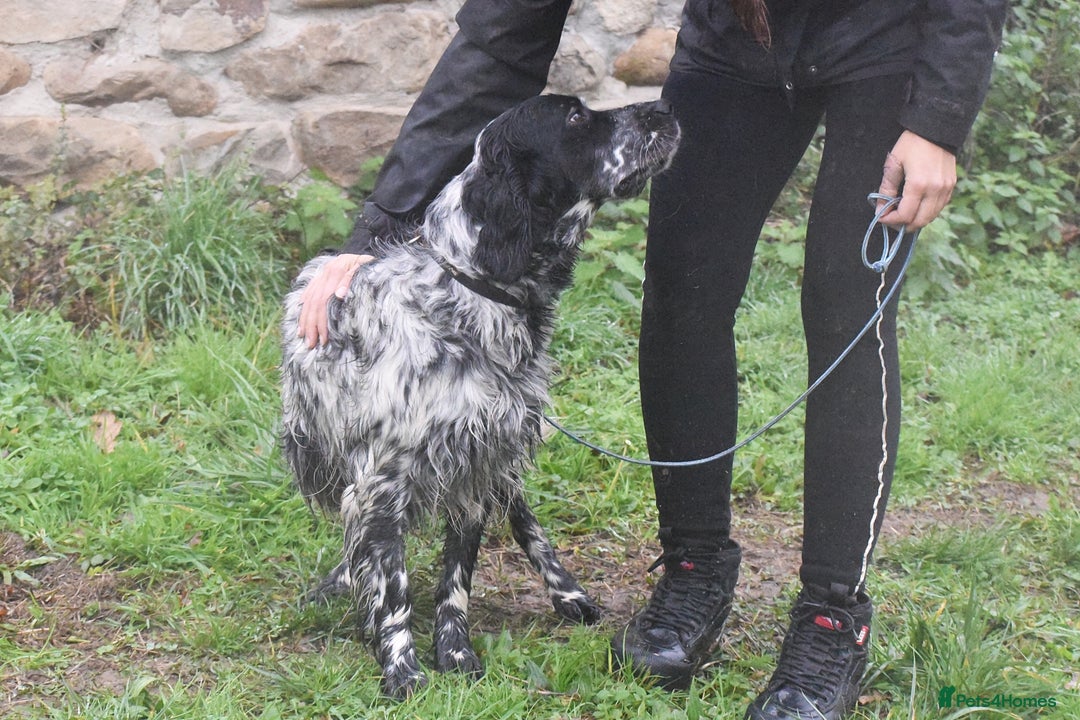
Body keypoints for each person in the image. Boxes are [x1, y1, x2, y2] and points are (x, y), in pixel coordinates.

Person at [296, 1, 1008, 717]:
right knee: (683, 292)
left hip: (884, 38)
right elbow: (500, 36)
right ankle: (694, 573)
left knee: (845, 304)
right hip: (736, 46)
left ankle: (831, 618)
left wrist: (937, 120)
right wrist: (382, 226)